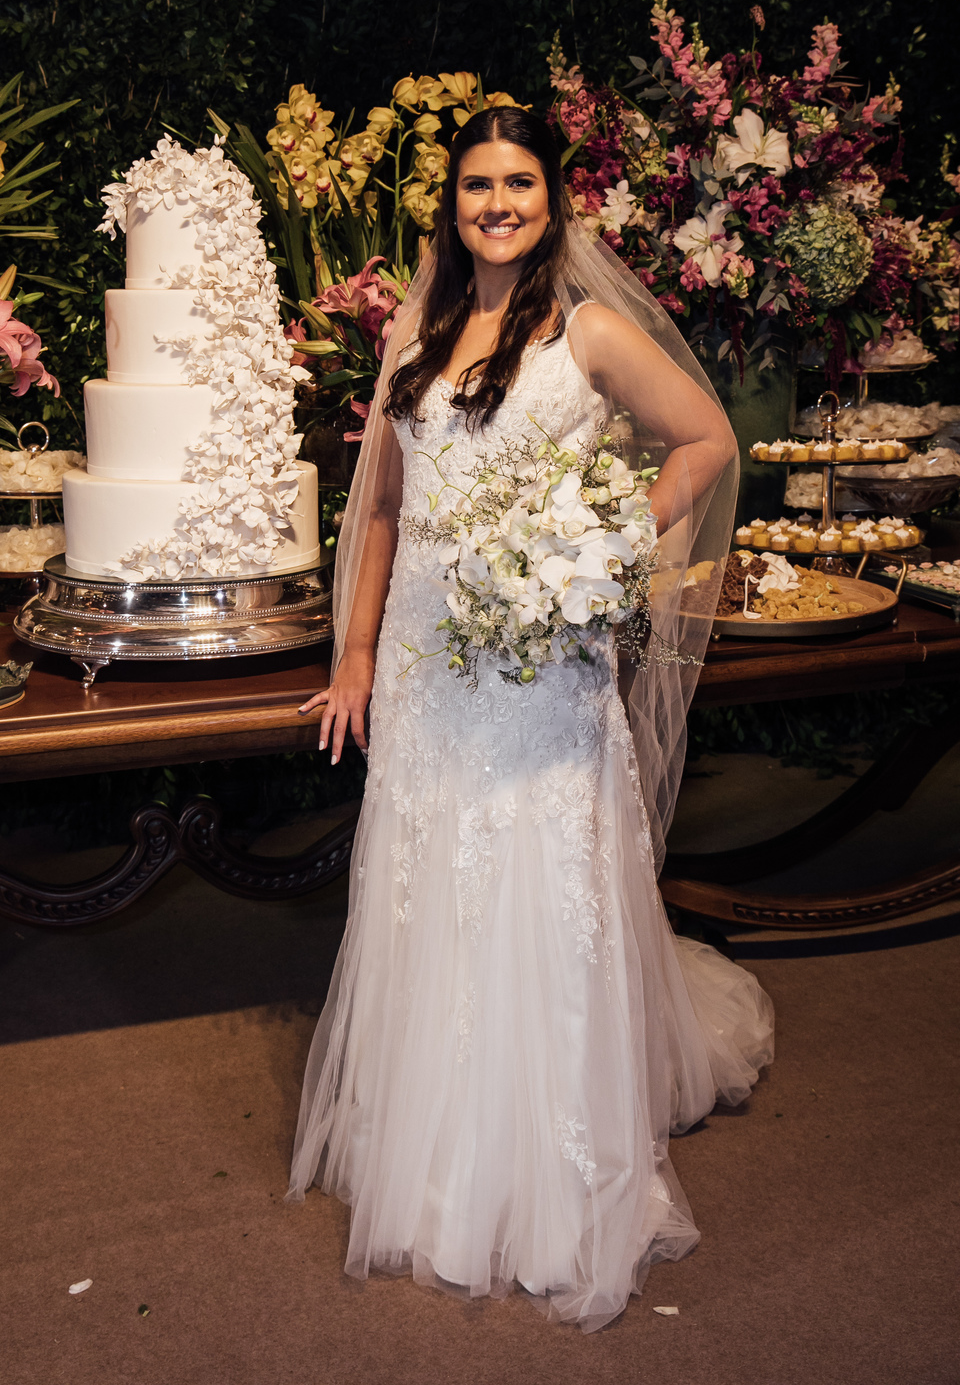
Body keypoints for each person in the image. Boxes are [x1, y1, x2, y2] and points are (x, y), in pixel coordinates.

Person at [289, 106, 774, 1332]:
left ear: (553, 199)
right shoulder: (425, 328)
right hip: (423, 666)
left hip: (538, 666)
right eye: (473, 187)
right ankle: (436, 1139)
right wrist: (354, 656)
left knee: (535, 879)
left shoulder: (590, 330)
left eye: (517, 183)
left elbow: (707, 439)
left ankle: (545, 1172)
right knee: (428, 879)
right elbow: (389, 507)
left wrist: (606, 546)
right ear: (448, 207)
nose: (495, 204)